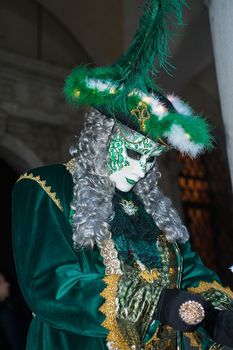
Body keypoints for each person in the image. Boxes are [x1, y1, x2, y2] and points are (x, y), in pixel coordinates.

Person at [12, 1, 233, 349]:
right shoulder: (45, 189)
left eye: (151, 159)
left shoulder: (151, 207)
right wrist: (155, 304)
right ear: (103, 137)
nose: (141, 169)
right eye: (133, 153)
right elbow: (51, 286)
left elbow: (190, 270)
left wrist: (219, 313)